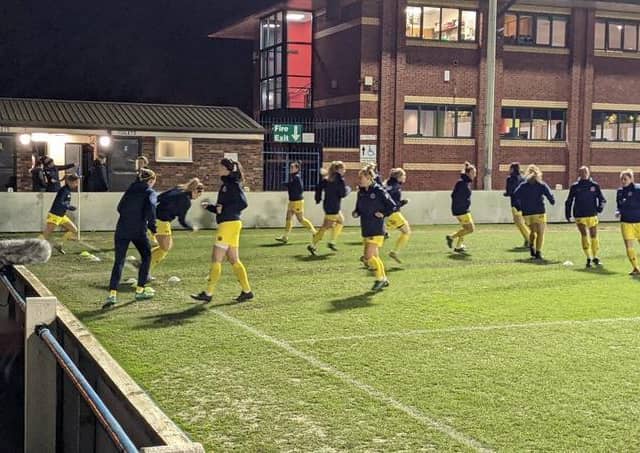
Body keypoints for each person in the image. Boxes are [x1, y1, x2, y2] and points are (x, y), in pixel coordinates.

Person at [191, 158, 253, 303]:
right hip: (231, 223)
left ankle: (208, 293)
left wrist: (224, 209)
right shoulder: (228, 183)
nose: (218, 168)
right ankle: (247, 291)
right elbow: (222, 208)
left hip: (228, 224)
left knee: (216, 258)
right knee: (233, 259)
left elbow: (243, 203)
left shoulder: (231, 184)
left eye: (220, 166)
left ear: (227, 169)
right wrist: (211, 207)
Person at [103, 169, 158, 309]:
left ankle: (112, 294)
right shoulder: (150, 192)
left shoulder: (130, 190)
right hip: (138, 230)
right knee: (146, 256)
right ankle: (140, 290)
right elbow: (151, 209)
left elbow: (119, 207)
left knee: (119, 261)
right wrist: (153, 227)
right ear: (151, 180)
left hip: (122, 229)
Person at [353, 165, 396, 291]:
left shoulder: (378, 190)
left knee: (367, 256)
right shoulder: (360, 192)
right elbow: (359, 208)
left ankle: (379, 280)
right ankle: (383, 278)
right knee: (374, 257)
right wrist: (356, 212)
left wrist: (383, 213)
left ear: (369, 178)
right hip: (366, 228)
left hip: (377, 229)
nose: (359, 180)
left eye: (361, 178)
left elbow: (392, 206)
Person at [151, 178, 204, 272]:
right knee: (165, 248)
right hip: (161, 221)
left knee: (166, 247)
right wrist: (191, 228)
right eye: (199, 194)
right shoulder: (186, 201)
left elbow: (160, 197)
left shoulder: (178, 188)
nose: (198, 197)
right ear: (195, 191)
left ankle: (143, 265)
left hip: (153, 216)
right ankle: (144, 268)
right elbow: (181, 220)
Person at [565, 166, 606, 268]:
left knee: (593, 236)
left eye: (585, 172)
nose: (584, 174)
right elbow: (569, 201)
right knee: (584, 234)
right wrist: (568, 214)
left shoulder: (594, 185)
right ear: (579, 174)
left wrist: (600, 208)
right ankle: (588, 258)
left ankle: (595, 257)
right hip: (579, 214)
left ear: (589, 173)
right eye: (582, 172)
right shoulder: (575, 186)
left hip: (592, 214)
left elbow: (602, 199)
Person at [513, 165, 556, 260]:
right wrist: (552, 200)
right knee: (540, 232)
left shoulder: (523, 185)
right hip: (539, 211)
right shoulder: (541, 185)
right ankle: (538, 252)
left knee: (533, 231)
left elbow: (515, 195)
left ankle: (532, 245)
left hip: (527, 213)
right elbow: (550, 195)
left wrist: (519, 206)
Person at [308, 161, 350, 255]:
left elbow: (318, 187)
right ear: (339, 169)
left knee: (341, 221)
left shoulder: (327, 178)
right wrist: (348, 190)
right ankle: (312, 245)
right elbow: (342, 194)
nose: (344, 171)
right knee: (325, 227)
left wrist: (317, 198)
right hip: (334, 207)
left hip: (328, 205)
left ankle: (332, 241)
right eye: (343, 169)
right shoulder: (340, 180)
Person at [275, 161, 317, 243]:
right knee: (288, 218)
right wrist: (288, 185)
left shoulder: (297, 177)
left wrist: (288, 185)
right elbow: (292, 185)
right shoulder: (294, 177)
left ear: (297, 169)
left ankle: (314, 232)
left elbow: (300, 188)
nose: (290, 168)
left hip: (297, 201)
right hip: (292, 201)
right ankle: (285, 237)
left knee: (300, 219)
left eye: (292, 167)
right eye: (290, 167)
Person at [40, 174, 80, 254]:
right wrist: (69, 207)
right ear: (69, 182)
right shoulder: (64, 190)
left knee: (74, 230)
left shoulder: (68, 190)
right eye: (76, 182)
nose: (77, 184)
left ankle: (59, 245)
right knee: (46, 234)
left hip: (61, 216)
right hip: (54, 215)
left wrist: (68, 207)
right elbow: (59, 203)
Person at [446, 162, 477, 253]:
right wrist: (462, 205)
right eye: (473, 173)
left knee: (465, 229)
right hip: (462, 210)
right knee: (471, 229)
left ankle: (458, 247)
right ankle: (451, 237)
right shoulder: (462, 183)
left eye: (475, 173)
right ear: (467, 173)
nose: (474, 175)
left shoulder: (464, 182)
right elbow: (454, 196)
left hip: (460, 209)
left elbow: (454, 195)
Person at [615, 169, 640, 275]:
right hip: (626, 222)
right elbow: (619, 206)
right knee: (629, 246)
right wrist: (618, 211)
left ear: (631, 179)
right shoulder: (620, 191)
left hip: (639, 222)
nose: (623, 181)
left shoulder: (638, 189)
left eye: (625, 179)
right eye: (622, 179)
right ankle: (636, 268)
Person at [385, 168, 411, 263]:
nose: (405, 177)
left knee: (382, 236)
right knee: (406, 231)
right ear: (399, 177)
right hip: (393, 213)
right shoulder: (396, 187)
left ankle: (367, 256)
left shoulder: (389, 185)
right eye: (404, 176)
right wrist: (403, 202)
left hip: (387, 213)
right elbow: (392, 202)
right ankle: (394, 252)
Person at [503, 162, 530, 247]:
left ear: (512, 169)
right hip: (524, 203)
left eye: (510, 168)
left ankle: (529, 239)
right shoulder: (523, 178)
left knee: (519, 223)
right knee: (524, 223)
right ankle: (527, 239)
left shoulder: (510, 178)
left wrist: (506, 194)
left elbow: (509, 191)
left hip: (515, 203)